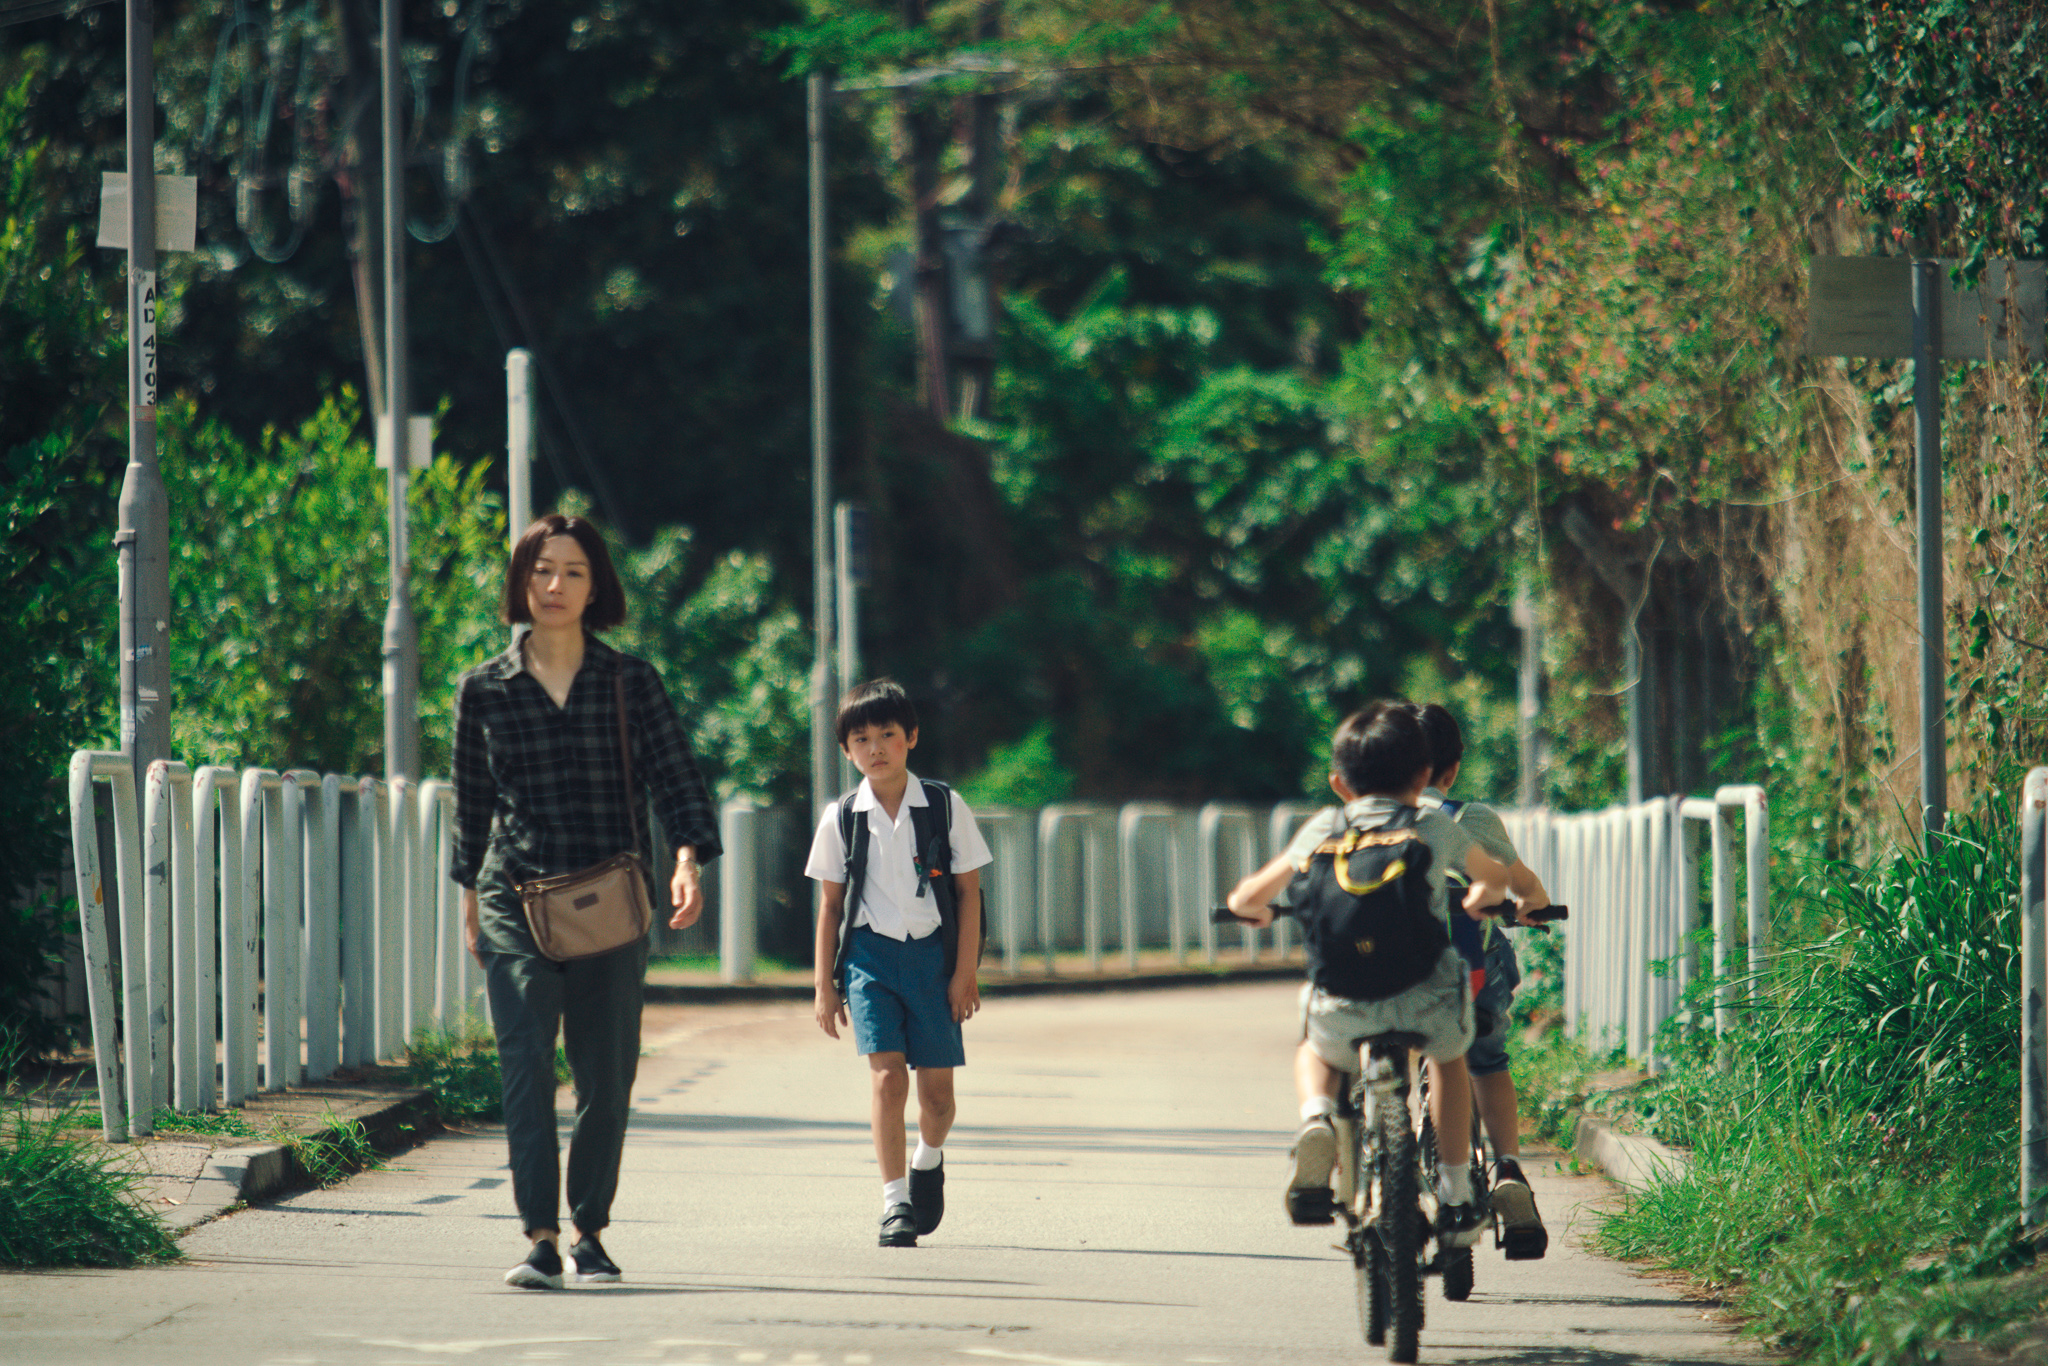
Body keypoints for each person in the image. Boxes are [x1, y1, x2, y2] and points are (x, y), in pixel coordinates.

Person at [451, 514, 722, 1291]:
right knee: (525, 1061)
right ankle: (538, 1237)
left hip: (609, 897)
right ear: (520, 583)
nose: (554, 586)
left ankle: (589, 1232)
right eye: (540, 570)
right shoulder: (483, 689)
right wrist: (468, 900)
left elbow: (676, 778)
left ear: (595, 584)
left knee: (606, 1073)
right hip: (514, 895)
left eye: (571, 571)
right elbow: (471, 808)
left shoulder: (631, 682)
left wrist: (685, 863)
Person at [1226, 701, 1518, 1248]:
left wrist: (1257, 912)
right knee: (1450, 1060)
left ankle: (1316, 1119)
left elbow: (1246, 897)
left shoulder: (1323, 826)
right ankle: (1456, 1187)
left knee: (1313, 1046)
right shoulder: (1431, 824)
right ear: (1425, 776)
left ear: (1340, 782)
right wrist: (1483, 897)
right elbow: (1493, 879)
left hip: (1345, 1004)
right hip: (1427, 999)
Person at [805, 679, 989, 1248]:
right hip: (869, 959)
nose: (876, 747)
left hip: (934, 959)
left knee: (937, 1097)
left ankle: (928, 1158)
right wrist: (823, 986)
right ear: (847, 751)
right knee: (887, 1079)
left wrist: (964, 972)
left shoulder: (942, 804)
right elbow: (830, 905)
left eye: (888, 734)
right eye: (862, 738)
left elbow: (969, 892)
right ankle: (894, 1205)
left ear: (911, 737)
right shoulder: (841, 817)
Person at [1413, 702, 1551, 1259]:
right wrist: (1532, 907)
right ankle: (1509, 1171)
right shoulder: (1472, 820)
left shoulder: (1380, 821)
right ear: (1453, 768)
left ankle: (1406, 1128)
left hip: (1402, 973)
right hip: (1474, 971)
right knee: (1488, 1062)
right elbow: (1527, 887)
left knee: (1399, 1041)